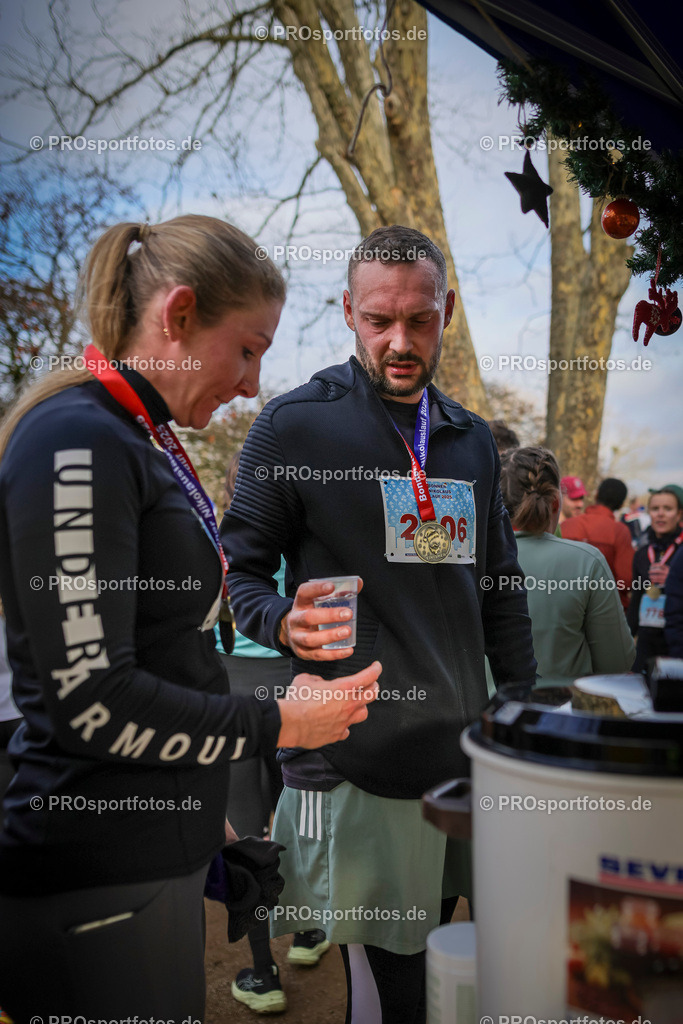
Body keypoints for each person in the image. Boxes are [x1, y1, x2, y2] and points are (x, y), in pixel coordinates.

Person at [0, 215, 381, 1022]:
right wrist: (278, 719)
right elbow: (92, 702)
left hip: (146, 857)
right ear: (176, 316)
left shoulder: (138, 435)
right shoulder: (79, 439)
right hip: (92, 873)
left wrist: (210, 814)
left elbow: (164, 650)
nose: (250, 384)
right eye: (247, 349)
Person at [221, 225, 537, 1024]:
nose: (400, 341)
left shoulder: (466, 437)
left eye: (419, 320)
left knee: (465, 966)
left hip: (469, 754)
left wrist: (522, 708)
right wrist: (284, 624)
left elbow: (500, 590)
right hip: (361, 760)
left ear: (448, 311)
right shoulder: (293, 426)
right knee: (392, 988)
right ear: (347, 313)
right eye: (378, 320)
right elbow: (240, 574)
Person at [217, 453, 329, 1015]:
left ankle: (263, 973)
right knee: (298, 821)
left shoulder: (214, 535)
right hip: (292, 690)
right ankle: (309, 934)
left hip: (232, 689)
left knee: (250, 838)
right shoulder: (303, 530)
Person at [500, 448, 634, 684]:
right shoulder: (587, 561)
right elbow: (618, 662)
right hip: (560, 714)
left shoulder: (467, 561)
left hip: (484, 715)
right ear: (555, 503)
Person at [628, 486, 683, 673]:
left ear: (679, 514)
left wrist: (674, 580)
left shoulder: (681, 552)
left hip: (675, 642)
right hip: (646, 642)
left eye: (668, 509)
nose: (660, 514)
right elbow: (636, 598)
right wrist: (627, 639)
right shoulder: (642, 554)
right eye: (655, 509)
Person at [560, 477, 633, 609]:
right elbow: (626, 580)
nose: (580, 504)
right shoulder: (620, 531)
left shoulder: (565, 526)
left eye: (581, 499)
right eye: (574, 499)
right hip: (606, 610)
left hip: (566, 607)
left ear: (596, 495)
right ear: (622, 505)